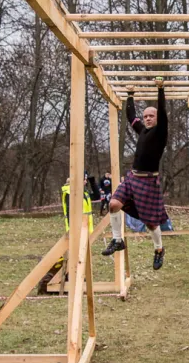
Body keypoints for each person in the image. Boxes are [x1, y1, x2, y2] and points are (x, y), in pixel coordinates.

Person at [101, 77, 169, 270]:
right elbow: (131, 116)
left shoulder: (160, 132)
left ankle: (158, 249)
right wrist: (130, 95)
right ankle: (117, 240)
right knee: (113, 204)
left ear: (157, 119)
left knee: (151, 223)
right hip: (132, 178)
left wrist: (160, 89)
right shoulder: (142, 131)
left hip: (148, 182)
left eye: (151, 116)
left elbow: (163, 112)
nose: (147, 118)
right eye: (146, 116)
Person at [37, 175, 94, 294]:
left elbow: (96, 197)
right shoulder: (70, 193)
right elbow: (71, 212)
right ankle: (47, 280)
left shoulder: (83, 192)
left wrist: (93, 182)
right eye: (83, 179)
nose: (85, 181)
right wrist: (75, 229)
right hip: (75, 230)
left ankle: (71, 279)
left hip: (84, 230)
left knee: (77, 257)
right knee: (68, 258)